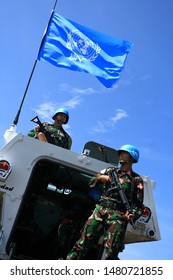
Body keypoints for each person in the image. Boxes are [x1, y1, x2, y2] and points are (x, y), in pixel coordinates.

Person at [66, 144, 144, 260]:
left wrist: (133, 214)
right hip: (100, 211)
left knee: (111, 252)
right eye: (120, 153)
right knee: (82, 243)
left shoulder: (136, 179)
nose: (121, 155)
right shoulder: (109, 171)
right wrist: (100, 178)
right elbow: (91, 182)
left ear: (132, 158)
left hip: (118, 216)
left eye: (124, 153)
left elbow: (139, 204)